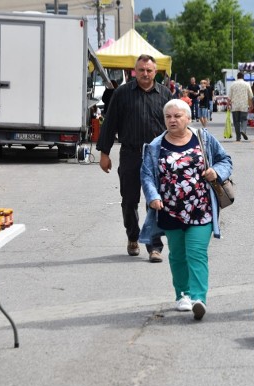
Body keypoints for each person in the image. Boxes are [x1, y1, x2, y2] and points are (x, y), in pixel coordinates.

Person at [140, 99, 233, 320]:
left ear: (188, 118)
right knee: (178, 255)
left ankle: (199, 298)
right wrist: (152, 196)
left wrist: (216, 171)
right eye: (168, 117)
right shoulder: (155, 146)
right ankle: (182, 294)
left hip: (201, 208)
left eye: (177, 116)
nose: (172, 120)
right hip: (170, 210)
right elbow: (146, 175)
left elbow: (226, 160)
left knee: (197, 253)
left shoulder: (204, 139)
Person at [96, 54, 171, 263]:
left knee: (154, 202)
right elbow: (110, 123)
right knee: (129, 201)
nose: (145, 74)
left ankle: (154, 246)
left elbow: (175, 124)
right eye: (141, 70)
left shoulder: (165, 94)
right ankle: (132, 236)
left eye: (149, 70)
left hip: (157, 157)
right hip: (130, 155)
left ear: (155, 72)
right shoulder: (122, 93)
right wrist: (104, 153)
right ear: (134, 71)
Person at [228, 72, 253, 141]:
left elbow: (229, 97)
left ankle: (238, 137)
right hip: (244, 105)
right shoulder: (247, 84)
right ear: (243, 77)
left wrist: (228, 105)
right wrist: (251, 105)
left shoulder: (233, 84)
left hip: (235, 106)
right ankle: (243, 130)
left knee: (236, 122)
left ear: (237, 76)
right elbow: (250, 96)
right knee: (244, 120)